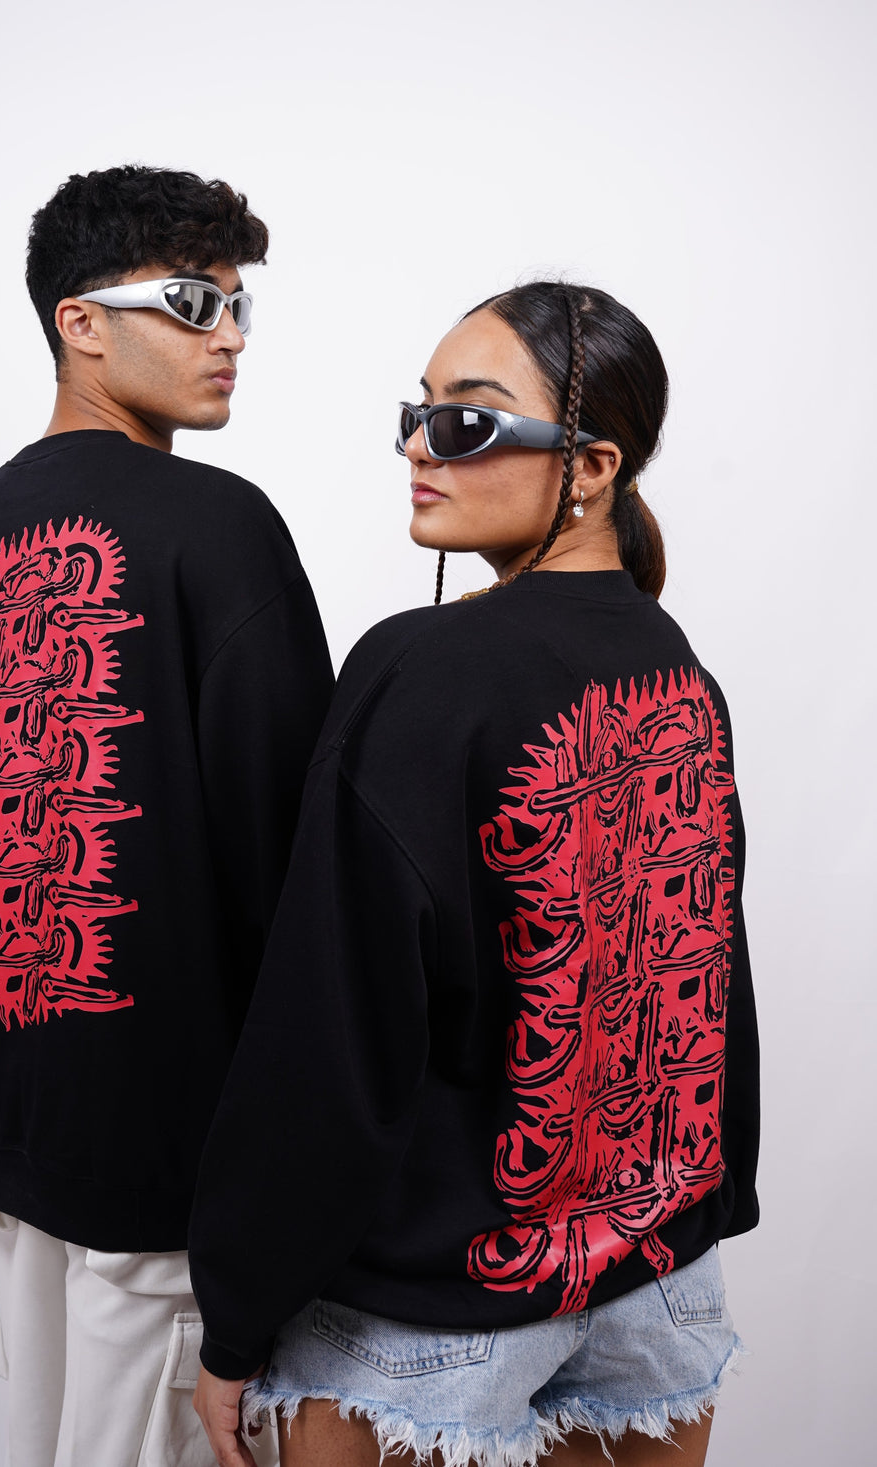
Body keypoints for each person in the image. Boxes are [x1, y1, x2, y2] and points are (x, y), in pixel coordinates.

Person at [189, 282, 760, 1467]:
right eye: (417, 412)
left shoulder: (420, 671)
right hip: (658, 1276)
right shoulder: (673, 664)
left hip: (434, 1313)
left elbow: (331, 1033)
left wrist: (236, 1312)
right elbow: (704, 981)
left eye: (465, 419)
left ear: (589, 466)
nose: (417, 446)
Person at [0, 164, 334, 1467]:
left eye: (240, 306)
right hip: (175, 1186)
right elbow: (298, 876)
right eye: (194, 302)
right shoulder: (217, 527)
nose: (230, 335)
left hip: (9, 1146)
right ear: (79, 322)